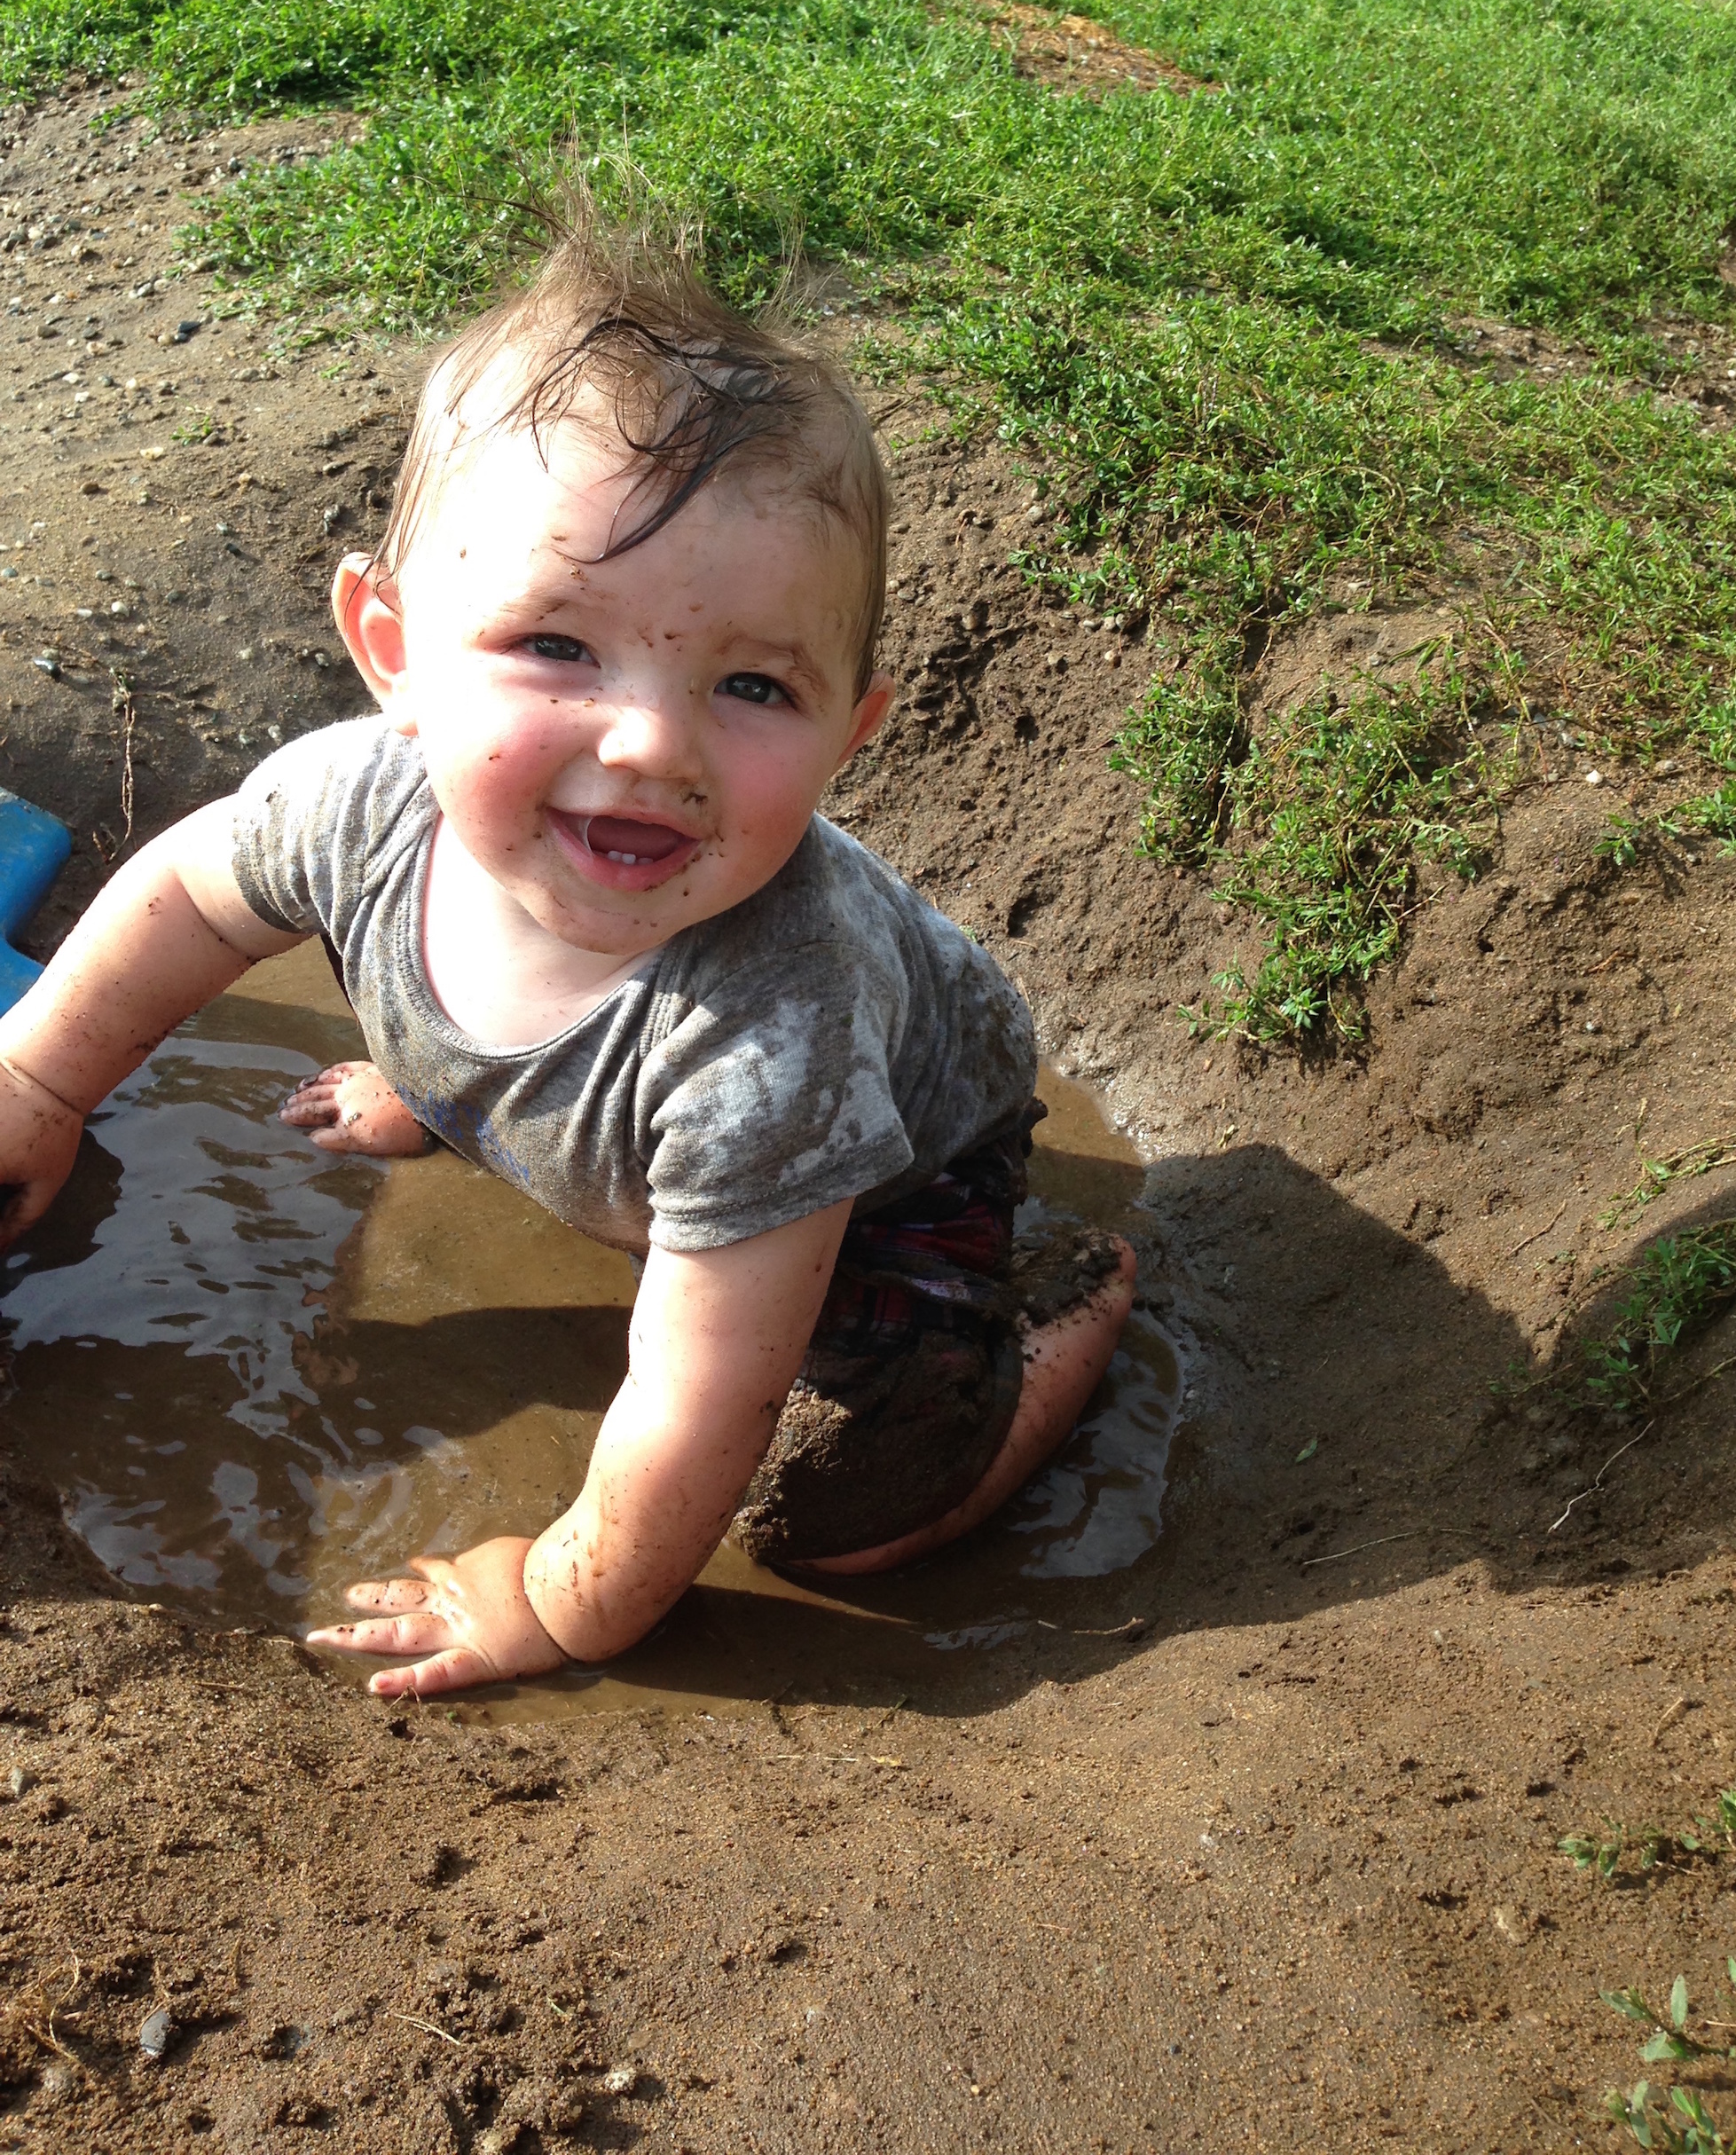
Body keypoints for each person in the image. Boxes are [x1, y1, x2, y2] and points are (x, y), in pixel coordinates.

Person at [0, 216, 1134, 1698]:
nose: (652, 742)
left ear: (852, 731)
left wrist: (562, 1595)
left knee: (848, 1516)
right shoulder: (357, 801)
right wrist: (37, 1076)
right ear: (393, 652)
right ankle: (464, 1090)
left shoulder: (770, 1037)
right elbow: (196, 900)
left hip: (895, 1174)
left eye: (750, 684)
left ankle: (1053, 1321)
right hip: (634, 1100)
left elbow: (696, 1389)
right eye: (556, 646)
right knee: (444, 1028)